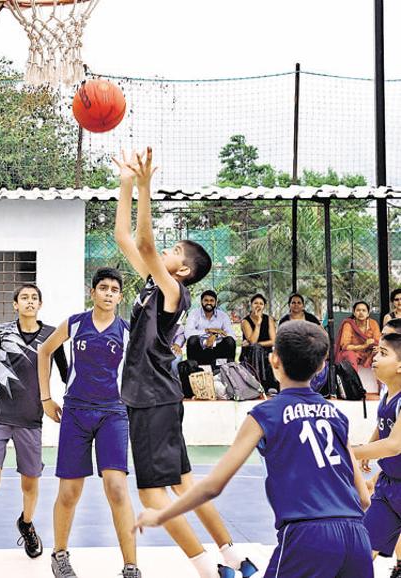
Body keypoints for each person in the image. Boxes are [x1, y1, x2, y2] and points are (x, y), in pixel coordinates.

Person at [113, 148, 256, 578]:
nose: (166, 252)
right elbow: (125, 238)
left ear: (184, 271)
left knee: (154, 498)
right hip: (160, 396)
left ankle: (207, 569)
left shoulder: (173, 293)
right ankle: (233, 557)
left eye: (175, 250)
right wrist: (124, 184)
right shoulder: (154, 284)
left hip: (150, 397)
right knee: (185, 487)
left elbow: (143, 241)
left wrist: (144, 186)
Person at [136, 320, 373, 578]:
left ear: (274, 360)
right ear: (321, 366)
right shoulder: (336, 415)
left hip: (307, 536)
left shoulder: (265, 414)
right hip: (357, 537)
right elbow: (363, 498)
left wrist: (161, 515)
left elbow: (213, 485)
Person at [0, 284, 68, 577]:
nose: (29, 302)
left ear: (40, 305)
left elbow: (66, 373)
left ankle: (27, 523)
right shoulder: (1, 331)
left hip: (31, 417)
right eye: (24, 298)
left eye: (34, 298)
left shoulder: (52, 335)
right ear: (15, 305)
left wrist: (81, 401)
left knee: (30, 483)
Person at [38, 267, 141, 578]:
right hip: (76, 413)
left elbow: (144, 367)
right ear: (93, 292)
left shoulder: (127, 330)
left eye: (114, 289)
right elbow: (44, 352)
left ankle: (131, 565)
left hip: (113, 413)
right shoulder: (75, 323)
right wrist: (46, 398)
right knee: (69, 492)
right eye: (103, 288)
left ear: (120, 296)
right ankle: (59, 554)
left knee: (117, 488)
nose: (108, 293)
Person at [354, 330, 401, 570]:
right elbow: (384, 426)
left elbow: (394, 444)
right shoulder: (387, 394)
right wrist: (370, 448)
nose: (375, 357)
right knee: (363, 547)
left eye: (383, 353)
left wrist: (355, 452)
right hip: (389, 484)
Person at [184, 290, 236, 369]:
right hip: (200, 348)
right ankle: (193, 370)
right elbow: (188, 333)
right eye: (206, 300)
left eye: (211, 301)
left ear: (215, 302)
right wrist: (207, 331)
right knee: (192, 340)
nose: (209, 303)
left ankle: (229, 370)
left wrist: (215, 335)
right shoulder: (194, 314)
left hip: (218, 348)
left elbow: (232, 335)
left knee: (230, 341)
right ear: (201, 301)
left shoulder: (223, 315)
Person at [240, 293, 278, 392]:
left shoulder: (269, 319)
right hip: (250, 354)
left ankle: (271, 386)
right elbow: (252, 341)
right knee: (256, 348)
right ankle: (259, 384)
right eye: (255, 303)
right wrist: (258, 323)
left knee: (259, 348)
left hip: (265, 352)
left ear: (264, 306)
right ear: (251, 305)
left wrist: (260, 344)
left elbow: (274, 341)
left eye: (261, 303)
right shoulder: (245, 321)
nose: (258, 305)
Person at [336, 301, 381, 372]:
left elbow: (378, 341)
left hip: (368, 354)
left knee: (380, 354)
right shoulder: (349, 324)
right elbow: (345, 346)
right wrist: (364, 345)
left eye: (364, 310)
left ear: (368, 313)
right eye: (358, 310)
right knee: (350, 355)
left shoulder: (373, 323)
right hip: (353, 353)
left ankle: (383, 382)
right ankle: (353, 382)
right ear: (354, 313)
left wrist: (378, 347)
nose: (361, 313)